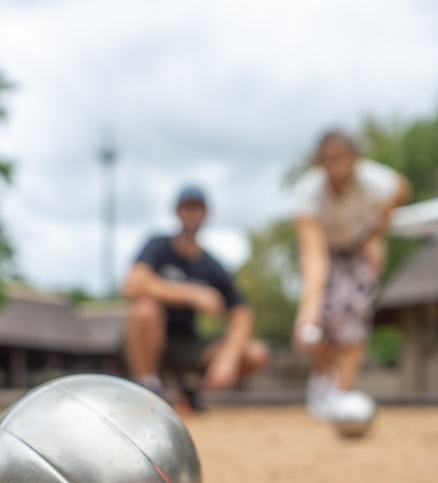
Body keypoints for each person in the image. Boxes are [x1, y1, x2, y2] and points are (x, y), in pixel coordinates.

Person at [292, 130, 411, 420]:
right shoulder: (308, 192)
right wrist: (309, 307)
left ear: (354, 159)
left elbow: (402, 189)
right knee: (325, 316)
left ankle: (340, 396)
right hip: (327, 250)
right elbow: (313, 254)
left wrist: (375, 235)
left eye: (341, 159)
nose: (335, 167)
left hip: (358, 248)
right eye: (328, 160)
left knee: (354, 316)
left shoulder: (375, 181)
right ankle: (322, 379)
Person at [123, 185, 268, 409]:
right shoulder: (158, 246)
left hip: (188, 345)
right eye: (187, 208)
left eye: (197, 208)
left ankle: (190, 392)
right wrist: (192, 293)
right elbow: (133, 285)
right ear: (177, 212)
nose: (192, 214)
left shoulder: (213, 266)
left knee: (255, 353)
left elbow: (242, 314)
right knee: (146, 309)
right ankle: (147, 389)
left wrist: (227, 358)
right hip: (148, 342)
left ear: (207, 214)